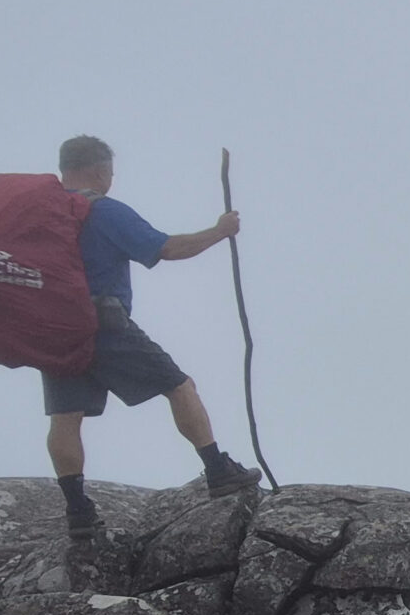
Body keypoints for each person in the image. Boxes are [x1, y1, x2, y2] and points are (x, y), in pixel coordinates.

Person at [46, 134, 262, 536]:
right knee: (180, 386)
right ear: (98, 170)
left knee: (65, 417)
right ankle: (218, 470)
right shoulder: (103, 211)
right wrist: (220, 231)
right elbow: (167, 249)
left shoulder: (40, 217)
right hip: (105, 326)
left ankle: (77, 511)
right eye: (109, 171)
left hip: (55, 330)